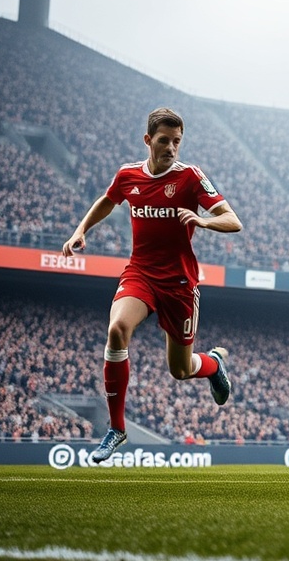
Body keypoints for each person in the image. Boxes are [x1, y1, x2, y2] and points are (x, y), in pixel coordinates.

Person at [62, 107, 242, 463]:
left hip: (179, 282)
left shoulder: (190, 177)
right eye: (164, 140)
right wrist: (81, 230)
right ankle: (116, 429)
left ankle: (213, 365)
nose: (172, 147)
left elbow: (232, 220)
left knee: (181, 369)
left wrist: (202, 221)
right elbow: (108, 200)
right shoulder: (128, 175)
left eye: (177, 141)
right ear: (148, 140)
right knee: (117, 329)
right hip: (141, 272)